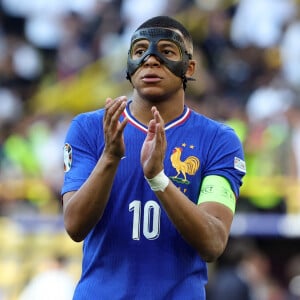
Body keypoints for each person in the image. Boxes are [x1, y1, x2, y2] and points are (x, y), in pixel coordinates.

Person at [61, 15, 246, 299]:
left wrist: (158, 179)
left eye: (167, 51)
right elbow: (74, 225)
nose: (150, 60)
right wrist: (110, 158)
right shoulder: (90, 128)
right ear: (129, 65)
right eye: (140, 51)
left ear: (189, 66)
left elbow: (213, 242)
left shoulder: (219, 140)